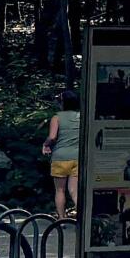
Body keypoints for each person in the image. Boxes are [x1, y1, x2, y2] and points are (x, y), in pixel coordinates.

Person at [43, 93, 81, 221]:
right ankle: (82, 214)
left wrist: (45, 145)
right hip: (77, 157)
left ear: (63, 103)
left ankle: (61, 218)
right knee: (74, 190)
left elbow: (52, 137)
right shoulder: (81, 117)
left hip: (60, 157)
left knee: (60, 190)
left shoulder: (57, 118)